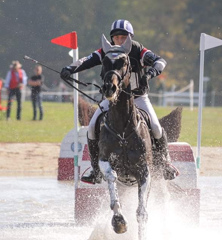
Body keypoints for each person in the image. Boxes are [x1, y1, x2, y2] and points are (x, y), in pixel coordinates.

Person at [60, 19, 179, 183]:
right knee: (92, 128)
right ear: (112, 38)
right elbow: (87, 60)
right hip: (112, 99)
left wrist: (150, 74)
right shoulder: (106, 51)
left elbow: (161, 61)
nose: (120, 41)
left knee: (156, 127)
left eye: (123, 37)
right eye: (116, 37)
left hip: (138, 98)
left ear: (130, 38)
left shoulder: (137, 49)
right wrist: (70, 68)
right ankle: (96, 170)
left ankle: (165, 162)